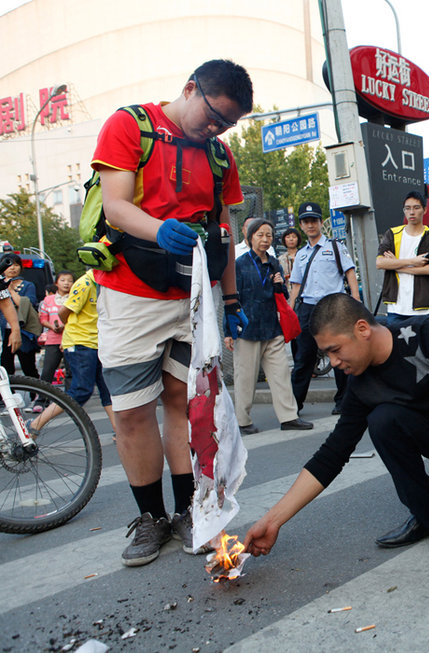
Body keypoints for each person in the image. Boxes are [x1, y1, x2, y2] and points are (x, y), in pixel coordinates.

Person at [92, 59, 253, 566]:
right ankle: (150, 518)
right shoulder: (130, 126)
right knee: (133, 411)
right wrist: (158, 229)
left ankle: (188, 510)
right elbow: (116, 205)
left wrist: (230, 302)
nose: (215, 129)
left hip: (193, 300)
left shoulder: (220, 156)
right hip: (130, 294)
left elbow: (222, 230)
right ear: (190, 88)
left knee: (185, 404)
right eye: (213, 117)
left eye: (226, 125)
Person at [242, 294, 429, 555]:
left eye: (335, 350)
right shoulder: (361, 384)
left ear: (362, 329)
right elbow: (331, 455)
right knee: (383, 420)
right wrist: (273, 520)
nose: (333, 362)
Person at [227, 219, 312, 435]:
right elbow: (230, 299)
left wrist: (279, 286)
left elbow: (282, 295)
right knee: (245, 378)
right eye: (260, 235)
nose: (265, 239)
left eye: (268, 235)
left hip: (272, 328)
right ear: (250, 237)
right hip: (248, 330)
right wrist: (228, 331)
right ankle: (242, 420)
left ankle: (289, 417)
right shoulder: (240, 264)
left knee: (281, 375)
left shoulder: (274, 262)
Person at [289, 201, 360, 415]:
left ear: (321, 222)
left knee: (339, 354)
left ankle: (344, 401)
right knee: (304, 359)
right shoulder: (301, 255)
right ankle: (293, 407)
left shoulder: (336, 247)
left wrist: (355, 299)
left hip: (334, 307)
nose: (310, 225)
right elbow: (296, 285)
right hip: (308, 308)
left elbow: (349, 273)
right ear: (301, 225)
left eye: (314, 221)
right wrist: (289, 310)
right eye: (306, 221)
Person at [29, 270, 117, 435]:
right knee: (81, 390)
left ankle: (119, 432)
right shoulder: (85, 283)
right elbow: (63, 312)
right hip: (80, 343)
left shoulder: (107, 282)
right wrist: (68, 335)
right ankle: (35, 424)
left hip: (98, 343)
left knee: (107, 390)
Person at [376, 191, 429, 327]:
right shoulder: (393, 233)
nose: (411, 212)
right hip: (396, 307)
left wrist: (395, 264)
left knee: (425, 347)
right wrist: (413, 261)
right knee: (397, 346)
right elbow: (380, 262)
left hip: (424, 306)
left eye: (416, 208)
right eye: (407, 208)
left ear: (424, 210)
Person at [35, 271, 74, 412]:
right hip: (52, 339)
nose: (66, 283)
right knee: (47, 371)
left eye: (69, 280)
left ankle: (70, 402)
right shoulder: (48, 300)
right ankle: (41, 400)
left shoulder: (74, 298)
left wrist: (65, 326)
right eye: (63, 280)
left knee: (70, 372)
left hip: (70, 339)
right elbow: (43, 319)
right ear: (56, 283)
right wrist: (52, 326)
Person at [0, 254, 40, 379]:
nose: (12, 268)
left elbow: (27, 303)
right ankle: (9, 395)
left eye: (16, 265)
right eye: (9, 264)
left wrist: (10, 290)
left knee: (28, 366)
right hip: (4, 332)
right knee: (6, 367)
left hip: (24, 331)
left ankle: (36, 395)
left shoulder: (27, 285)